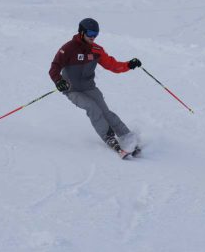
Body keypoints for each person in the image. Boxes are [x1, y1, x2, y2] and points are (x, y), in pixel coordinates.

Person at [49, 18, 142, 156]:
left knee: (105, 111)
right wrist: (59, 81)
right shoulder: (68, 48)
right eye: (90, 34)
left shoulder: (96, 50)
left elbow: (113, 65)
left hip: (89, 87)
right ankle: (108, 137)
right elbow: (54, 68)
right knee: (92, 107)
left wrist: (128, 65)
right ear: (81, 32)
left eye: (95, 34)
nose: (93, 37)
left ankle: (127, 136)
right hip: (72, 90)